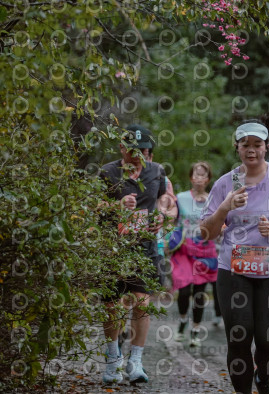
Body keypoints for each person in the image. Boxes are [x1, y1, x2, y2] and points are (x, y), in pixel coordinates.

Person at [200, 115, 269, 394]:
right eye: (245, 144)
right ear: (236, 146)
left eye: (257, 144)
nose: (251, 150)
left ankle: (264, 376)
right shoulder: (226, 183)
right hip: (234, 271)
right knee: (239, 337)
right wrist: (224, 207)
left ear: (267, 147)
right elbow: (206, 232)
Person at [100, 124, 169, 385]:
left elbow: (164, 200)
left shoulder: (157, 171)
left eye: (144, 150)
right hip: (112, 247)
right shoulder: (107, 172)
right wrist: (116, 205)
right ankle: (112, 358)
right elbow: (90, 204)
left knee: (142, 302)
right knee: (112, 306)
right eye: (133, 150)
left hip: (145, 247)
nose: (139, 154)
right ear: (122, 148)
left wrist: (162, 215)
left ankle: (136, 361)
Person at [170, 161, 221, 347]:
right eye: (196, 174)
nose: (199, 177)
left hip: (206, 252)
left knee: (200, 294)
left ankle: (196, 330)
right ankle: (183, 320)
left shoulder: (214, 201)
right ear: (191, 177)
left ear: (208, 179)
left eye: (203, 174)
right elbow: (171, 219)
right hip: (183, 250)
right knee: (184, 291)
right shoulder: (181, 198)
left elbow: (220, 225)